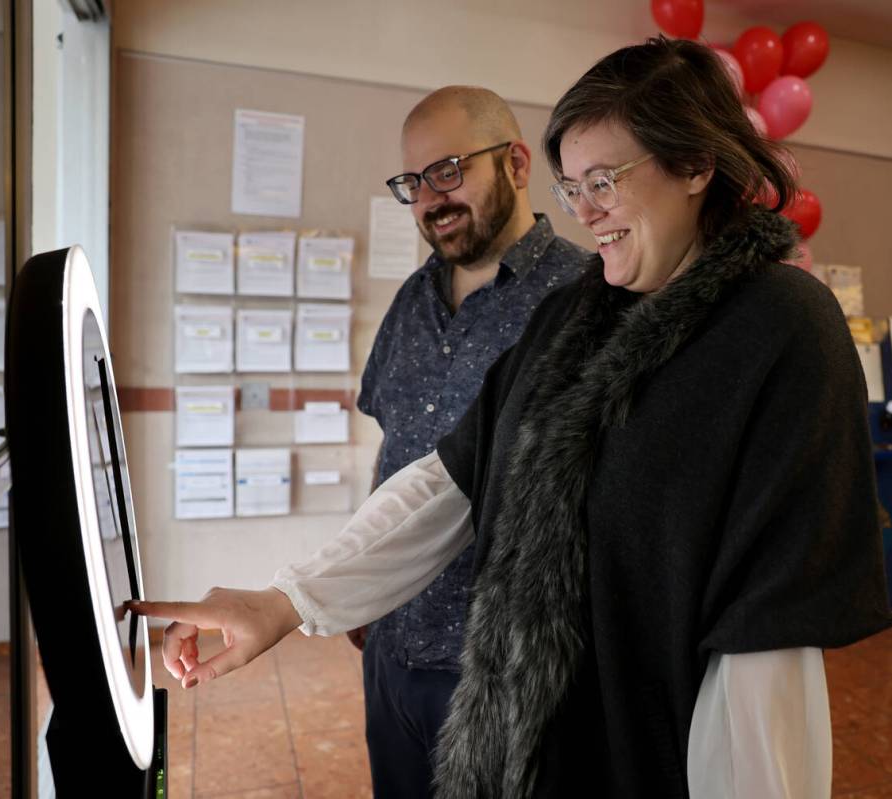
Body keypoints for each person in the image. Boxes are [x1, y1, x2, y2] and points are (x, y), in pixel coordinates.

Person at [132, 37, 892, 798]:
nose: (585, 212)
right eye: (573, 189)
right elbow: (448, 479)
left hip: (651, 752)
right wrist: (285, 601)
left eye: (603, 180)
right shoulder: (574, 313)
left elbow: (766, 647)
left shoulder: (778, 325)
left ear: (695, 165)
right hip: (513, 740)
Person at [351, 85, 589, 798]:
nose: (430, 198)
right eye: (414, 182)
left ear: (515, 163)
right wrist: (361, 582)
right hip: (393, 650)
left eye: (449, 170)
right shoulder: (411, 299)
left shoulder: (585, 296)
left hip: (506, 673)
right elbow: (391, 449)